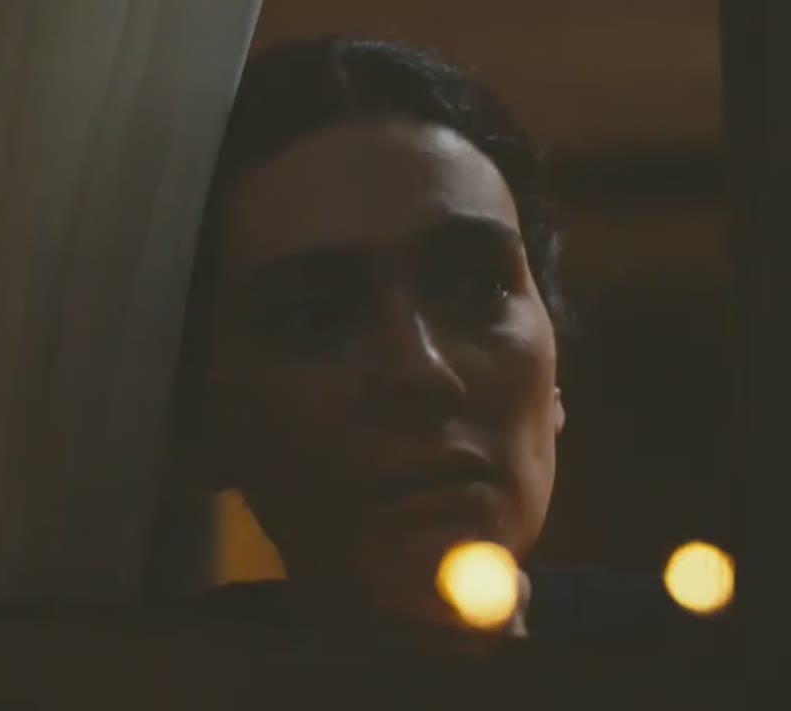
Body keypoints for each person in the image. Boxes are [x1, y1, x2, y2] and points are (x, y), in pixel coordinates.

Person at [169, 36, 682, 648]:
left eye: (480, 285)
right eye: (316, 317)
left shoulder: (721, 659)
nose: (423, 370)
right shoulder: (134, 676)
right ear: (202, 423)